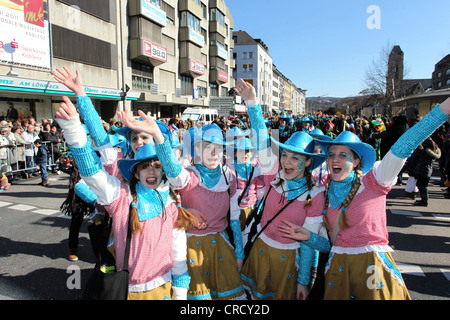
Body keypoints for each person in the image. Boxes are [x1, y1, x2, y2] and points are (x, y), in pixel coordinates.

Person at [278, 97, 450, 300]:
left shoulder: (375, 180)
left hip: (371, 272)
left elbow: (404, 145)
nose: (335, 159)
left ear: (356, 161)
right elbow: (331, 245)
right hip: (337, 271)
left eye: (343, 155)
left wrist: (444, 110)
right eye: (332, 154)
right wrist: (308, 237)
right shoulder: (324, 190)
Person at [55, 94, 197, 300]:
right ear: (135, 172)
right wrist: (74, 128)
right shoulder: (122, 195)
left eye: (157, 166)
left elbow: (178, 254)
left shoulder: (171, 200)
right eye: (144, 166)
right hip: (128, 282)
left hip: (162, 288)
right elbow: (92, 171)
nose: (151, 171)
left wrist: (180, 294)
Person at [121, 111, 247, 300]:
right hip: (190, 248)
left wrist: (238, 252)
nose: (213, 153)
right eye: (207, 146)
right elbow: (172, 173)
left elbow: (235, 218)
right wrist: (157, 136)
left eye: (218, 148)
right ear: (197, 148)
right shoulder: (190, 174)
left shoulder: (229, 175)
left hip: (222, 248)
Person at [234, 79, 327, 300]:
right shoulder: (273, 176)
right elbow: (262, 141)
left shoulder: (315, 195)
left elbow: (309, 244)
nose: (287, 161)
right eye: (285, 154)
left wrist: (304, 281)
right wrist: (253, 104)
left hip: (288, 263)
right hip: (261, 252)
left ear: (307, 163)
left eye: (296, 158)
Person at [409, 137, 441, 206]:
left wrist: (418, 145)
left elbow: (417, 152)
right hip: (427, 171)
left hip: (423, 170)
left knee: (422, 186)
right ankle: (423, 199)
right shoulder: (433, 151)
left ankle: (424, 201)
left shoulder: (426, 152)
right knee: (422, 185)